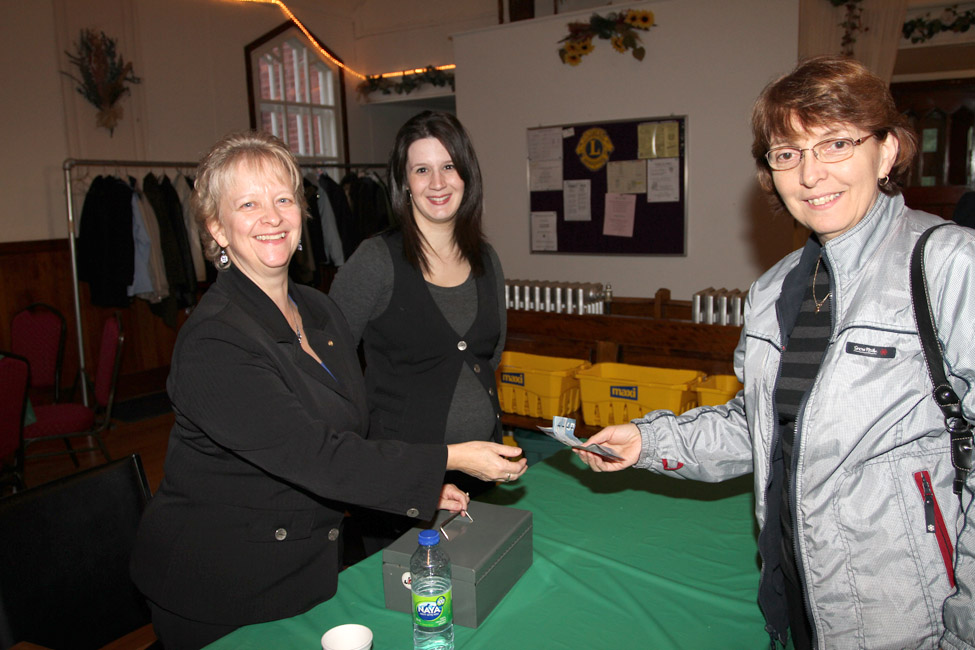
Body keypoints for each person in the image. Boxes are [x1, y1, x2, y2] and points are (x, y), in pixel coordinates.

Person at [576, 56, 975, 650]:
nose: (811, 174)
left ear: (887, 152)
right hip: (798, 599)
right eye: (788, 153)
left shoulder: (949, 266)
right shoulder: (774, 290)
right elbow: (760, 425)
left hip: (908, 619)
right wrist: (650, 441)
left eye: (836, 144)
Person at [129, 130, 526, 650]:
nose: (272, 217)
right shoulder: (215, 340)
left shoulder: (316, 311)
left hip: (309, 568)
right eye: (248, 204)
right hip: (222, 591)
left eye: (283, 199)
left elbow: (353, 435)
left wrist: (421, 487)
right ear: (216, 229)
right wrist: (446, 460)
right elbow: (316, 456)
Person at [329, 111, 508, 552]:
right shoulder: (375, 261)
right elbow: (327, 363)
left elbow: (491, 357)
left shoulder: (486, 259)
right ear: (404, 181)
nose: (438, 182)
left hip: (480, 474)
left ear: (467, 174)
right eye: (422, 169)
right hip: (401, 485)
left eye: (449, 166)